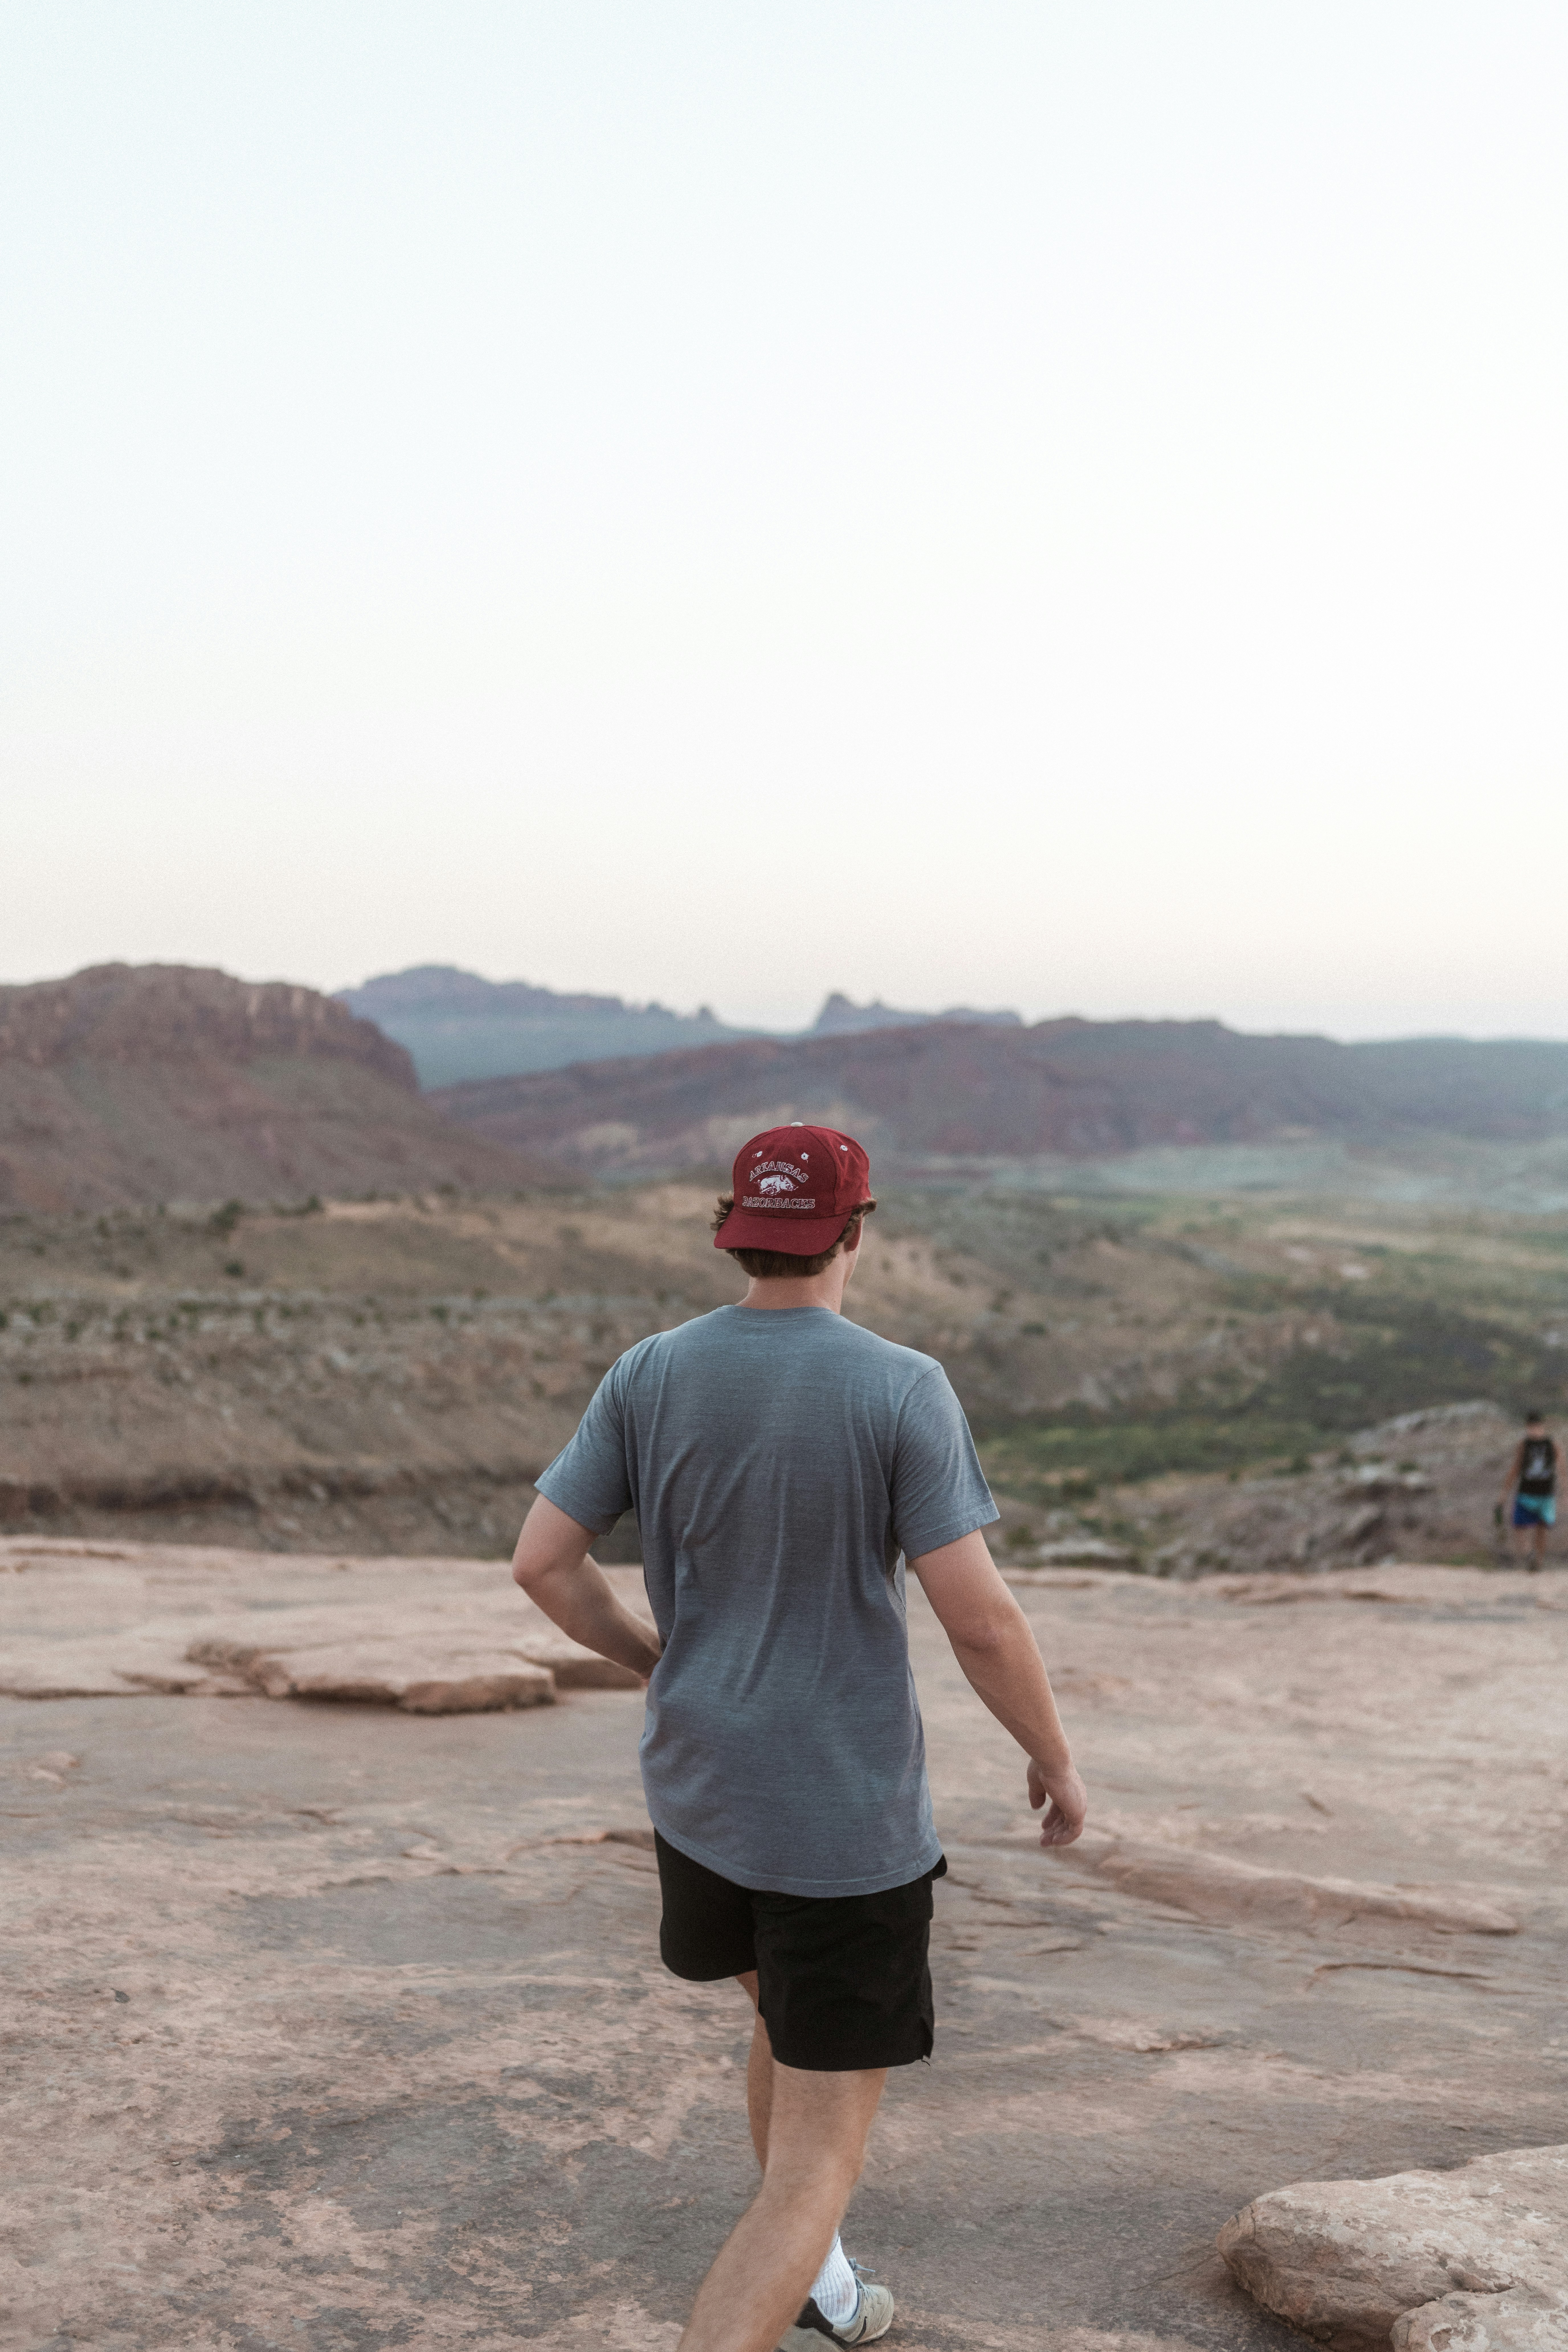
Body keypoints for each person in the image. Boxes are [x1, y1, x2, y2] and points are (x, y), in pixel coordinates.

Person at [511, 1122, 1087, 2352]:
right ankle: (782, 2279)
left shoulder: (651, 1370)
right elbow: (979, 1619)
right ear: (855, 1231)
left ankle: (821, 2291)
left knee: (780, 2025)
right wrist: (1052, 1755)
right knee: (818, 2160)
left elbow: (543, 1565)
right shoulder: (897, 1384)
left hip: (701, 1793)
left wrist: (657, 1660)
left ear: (740, 1229)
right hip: (835, 1819)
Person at [1499, 1408, 1563, 1570]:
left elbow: (1562, 1468)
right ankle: (1532, 1556)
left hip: (1540, 1493)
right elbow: (1516, 1468)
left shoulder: (1545, 1444)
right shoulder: (1535, 1444)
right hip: (1534, 1492)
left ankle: (1534, 1559)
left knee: (1535, 1528)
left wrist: (1504, 1493)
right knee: (1527, 1526)